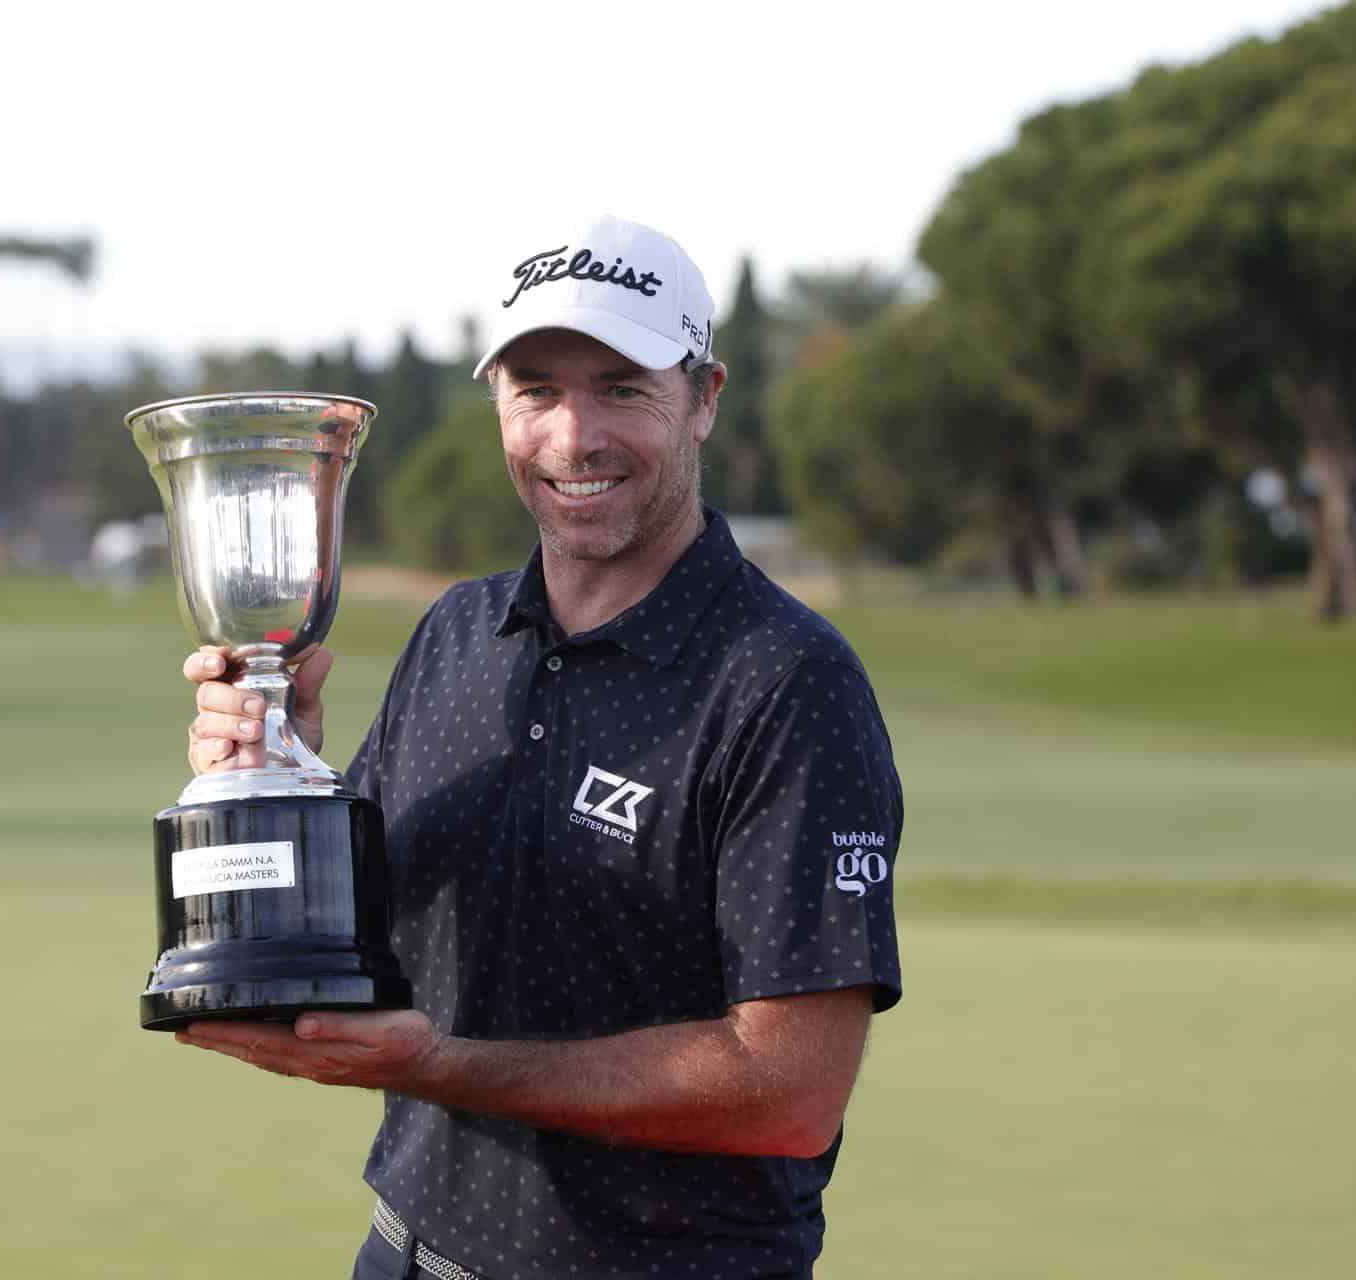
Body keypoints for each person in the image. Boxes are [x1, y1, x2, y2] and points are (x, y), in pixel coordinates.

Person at [175, 214, 905, 1280]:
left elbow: (790, 1090)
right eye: (536, 389)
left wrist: (441, 1064)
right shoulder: (459, 631)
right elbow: (354, 929)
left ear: (705, 398)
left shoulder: (787, 682)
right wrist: (277, 772)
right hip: (405, 1252)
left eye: (621, 387)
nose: (573, 436)